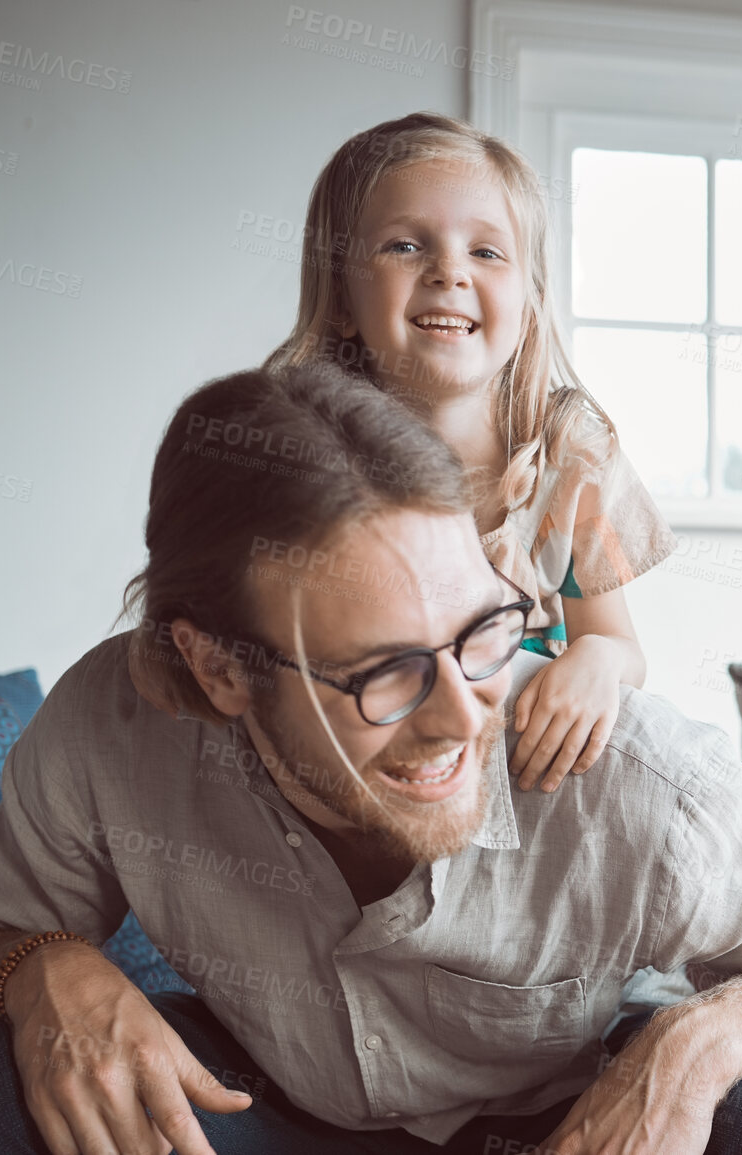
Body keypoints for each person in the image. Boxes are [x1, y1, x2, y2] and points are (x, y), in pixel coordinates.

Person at [0, 363, 742, 1155]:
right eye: (386, 673)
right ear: (217, 669)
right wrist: (36, 968)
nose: (462, 716)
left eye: (485, 632)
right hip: (269, 1110)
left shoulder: (632, 777)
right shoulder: (109, 724)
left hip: (557, 1120)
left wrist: (696, 1047)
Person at [267, 112, 674, 795]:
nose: (448, 271)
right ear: (341, 298)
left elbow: (620, 645)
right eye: (403, 245)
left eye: (486, 252)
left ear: (529, 302)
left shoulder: (570, 455)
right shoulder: (307, 457)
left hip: (526, 770)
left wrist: (598, 660)